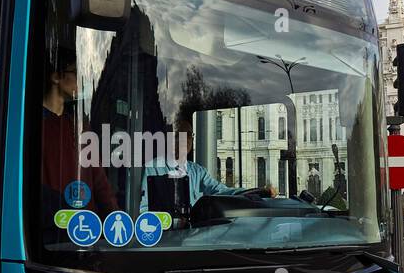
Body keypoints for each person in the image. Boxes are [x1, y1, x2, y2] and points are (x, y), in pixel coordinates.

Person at [40, 45, 118, 221]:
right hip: (51, 226)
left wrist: (115, 219)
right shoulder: (30, 125)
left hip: (85, 228)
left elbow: (100, 182)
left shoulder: (80, 125)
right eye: (77, 72)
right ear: (56, 76)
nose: (82, 80)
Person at [140, 116, 275, 214]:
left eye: (189, 135)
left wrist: (257, 192)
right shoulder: (152, 168)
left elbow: (223, 191)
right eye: (179, 135)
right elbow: (143, 209)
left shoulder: (198, 172)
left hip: (194, 238)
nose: (185, 140)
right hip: (165, 240)